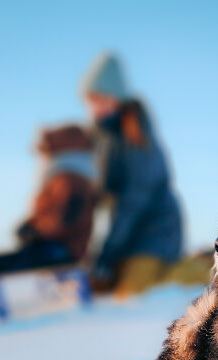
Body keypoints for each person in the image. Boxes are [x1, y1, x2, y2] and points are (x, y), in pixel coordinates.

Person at [82, 52, 190, 297]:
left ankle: (205, 269)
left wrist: (108, 249)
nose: (94, 107)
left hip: (155, 233)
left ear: (116, 99)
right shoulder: (103, 138)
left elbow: (134, 200)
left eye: (100, 99)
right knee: (104, 289)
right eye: (91, 100)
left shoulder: (137, 137)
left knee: (132, 293)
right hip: (128, 235)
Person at [0, 124, 97, 281]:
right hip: (51, 244)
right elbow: (46, 213)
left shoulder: (72, 180)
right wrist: (29, 224)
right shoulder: (61, 178)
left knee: (25, 259)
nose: (42, 160)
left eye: (46, 154)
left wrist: (36, 231)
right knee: (23, 256)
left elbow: (67, 220)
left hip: (65, 250)